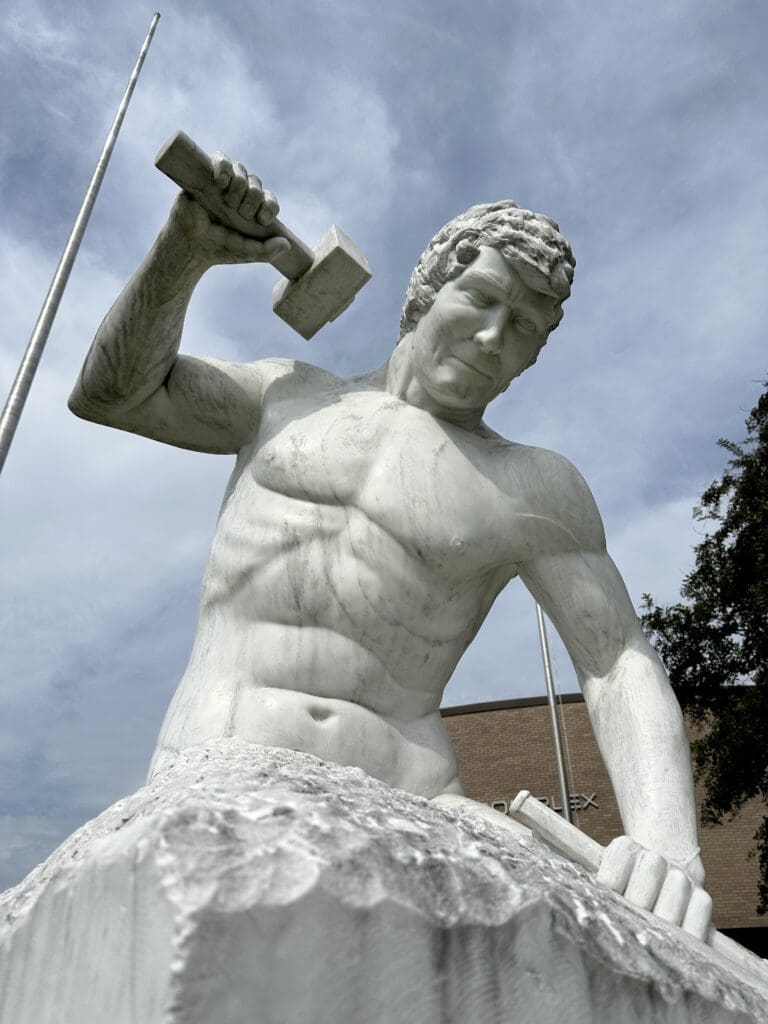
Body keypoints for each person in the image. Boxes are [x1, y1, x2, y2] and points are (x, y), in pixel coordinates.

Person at [69, 152, 712, 939]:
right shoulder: (284, 397)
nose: (491, 338)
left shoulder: (534, 487)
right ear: (428, 291)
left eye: (525, 332)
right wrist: (186, 250)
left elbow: (618, 662)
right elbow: (112, 393)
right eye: (481, 299)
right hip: (226, 765)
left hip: (416, 807)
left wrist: (667, 845)